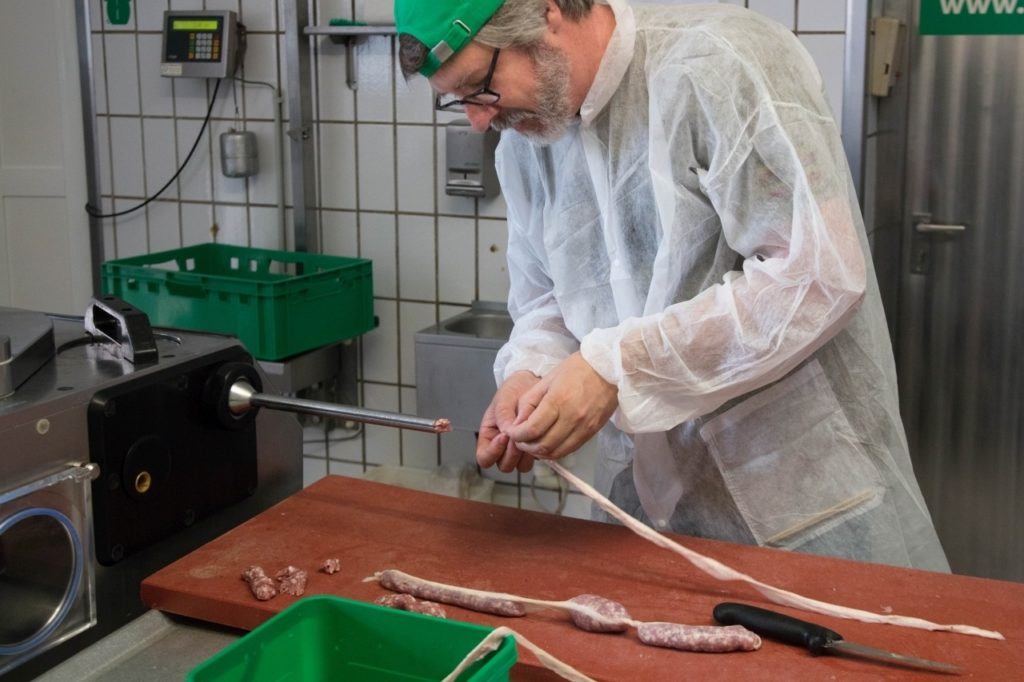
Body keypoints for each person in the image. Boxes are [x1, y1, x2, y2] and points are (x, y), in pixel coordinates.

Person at [394, 0, 950, 570]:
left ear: (547, 12)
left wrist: (618, 368)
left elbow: (816, 274)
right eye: (457, 99)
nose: (478, 122)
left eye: (479, 87)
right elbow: (548, 298)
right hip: (646, 511)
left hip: (802, 505)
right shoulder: (530, 143)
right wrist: (529, 370)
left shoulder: (719, 65)